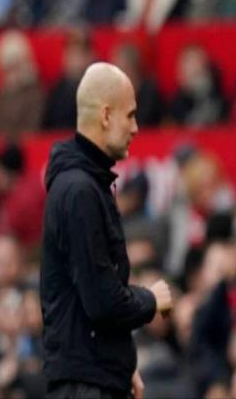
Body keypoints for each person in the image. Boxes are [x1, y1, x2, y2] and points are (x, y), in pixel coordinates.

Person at [40, 62, 173, 399]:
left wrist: (120, 364)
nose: (136, 128)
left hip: (96, 376)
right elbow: (101, 301)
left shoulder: (88, 184)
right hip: (85, 386)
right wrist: (151, 299)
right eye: (130, 115)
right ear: (105, 116)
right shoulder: (79, 191)